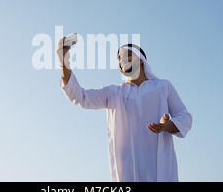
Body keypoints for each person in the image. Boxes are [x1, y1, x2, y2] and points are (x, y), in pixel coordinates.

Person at [57, 38, 193, 182]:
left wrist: (167, 125)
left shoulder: (163, 87)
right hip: (127, 174)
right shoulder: (114, 93)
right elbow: (80, 96)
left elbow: (185, 117)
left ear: (140, 60)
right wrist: (64, 63)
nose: (122, 60)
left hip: (160, 172)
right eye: (119, 58)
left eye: (127, 55)